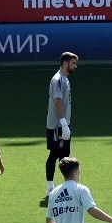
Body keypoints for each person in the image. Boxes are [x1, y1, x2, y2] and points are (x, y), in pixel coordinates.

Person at [45, 52, 77, 204]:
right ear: (65, 63)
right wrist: (63, 124)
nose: (75, 66)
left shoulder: (65, 79)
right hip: (57, 124)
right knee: (55, 153)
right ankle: (50, 187)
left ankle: (66, 186)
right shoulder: (57, 80)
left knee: (65, 154)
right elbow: (58, 103)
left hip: (64, 123)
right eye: (73, 63)